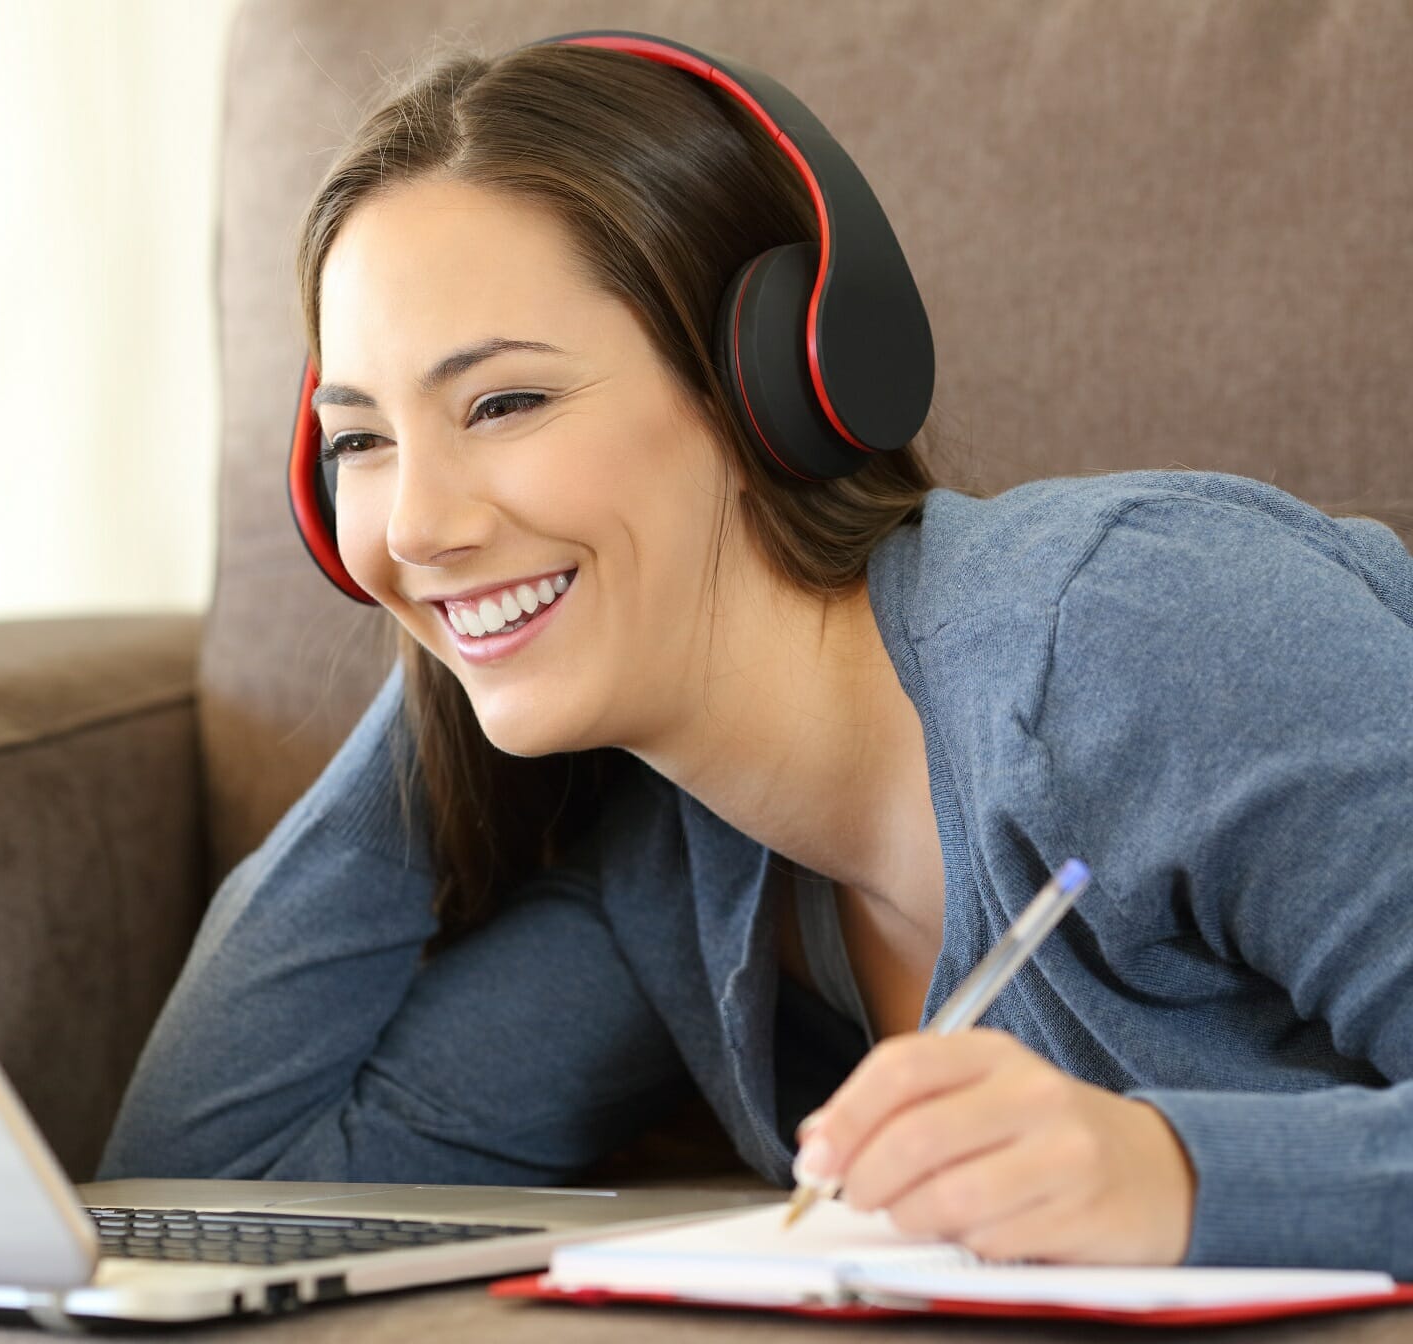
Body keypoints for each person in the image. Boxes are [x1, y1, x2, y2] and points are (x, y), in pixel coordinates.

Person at [96, 37, 1413, 1276]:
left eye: (505, 403)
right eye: (358, 441)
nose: (413, 516)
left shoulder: (1141, 631)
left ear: (774, 386)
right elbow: (208, 1209)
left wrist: (1173, 1181)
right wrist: (452, 622)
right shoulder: (680, 866)